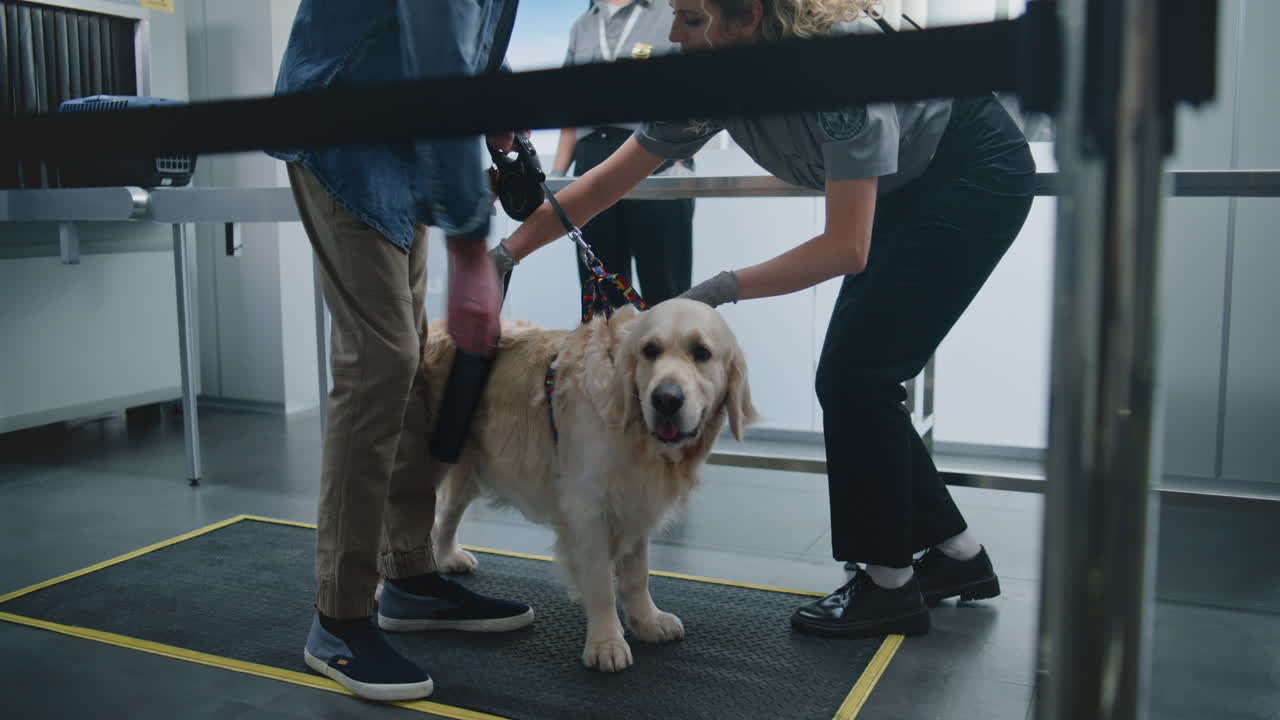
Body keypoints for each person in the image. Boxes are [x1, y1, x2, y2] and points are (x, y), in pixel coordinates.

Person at [493, 0, 1036, 639]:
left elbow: (845, 247)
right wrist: (505, 255)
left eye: (692, 19)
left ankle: (890, 585)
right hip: (908, 190)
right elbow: (605, 185)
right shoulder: (709, 80)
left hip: (972, 174)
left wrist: (714, 291)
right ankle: (956, 555)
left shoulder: (839, 63)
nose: (672, 33)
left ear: (747, 16)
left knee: (855, 375)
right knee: (860, 374)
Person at [267, 0, 533, 702]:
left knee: (408, 357)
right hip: (341, 130)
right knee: (379, 364)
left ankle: (410, 577)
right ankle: (339, 617)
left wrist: (496, 91)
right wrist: (472, 251)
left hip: (405, 141)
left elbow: (462, 45)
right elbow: (437, 51)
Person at [551, 0, 696, 305]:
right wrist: (557, 178)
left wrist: (680, 160)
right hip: (591, 158)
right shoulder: (582, 25)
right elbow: (568, 110)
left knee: (666, 289)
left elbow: (690, 90)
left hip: (655, 154)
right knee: (602, 294)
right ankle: (608, 354)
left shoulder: (673, 15)